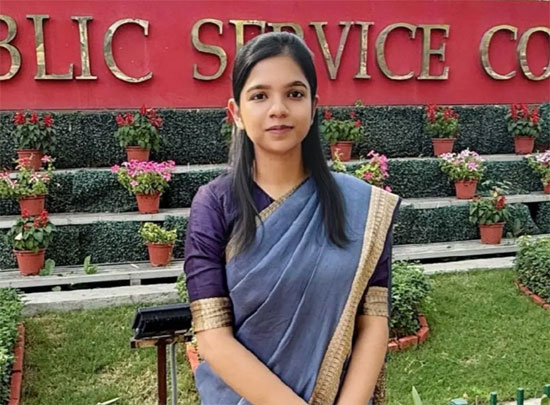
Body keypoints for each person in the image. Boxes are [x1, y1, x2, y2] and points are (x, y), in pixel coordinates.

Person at [183, 31, 401, 405]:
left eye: (294, 94)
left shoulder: (361, 208)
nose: (278, 108)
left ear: (313, 107)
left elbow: (373, 323)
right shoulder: (215, 206)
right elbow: (213, 338)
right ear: (236, 113)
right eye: (259, 96)